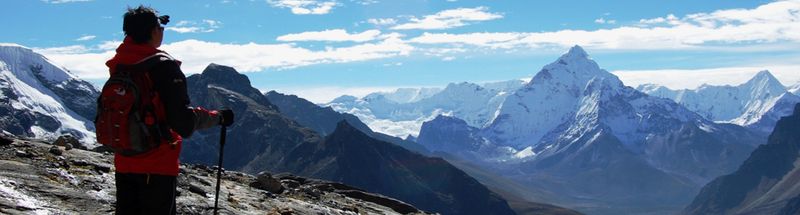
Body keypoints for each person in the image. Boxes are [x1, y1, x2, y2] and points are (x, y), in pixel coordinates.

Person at [104, 5, 234, 214]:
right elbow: (182, 123)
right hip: (156, 165)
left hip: (124, 160)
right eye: (160, 27)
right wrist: (217, 118)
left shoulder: (120, 65)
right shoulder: (163, 67)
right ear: (153, 31)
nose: (163, 32)